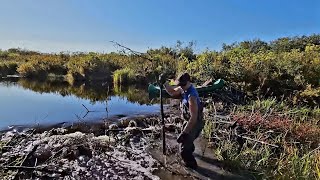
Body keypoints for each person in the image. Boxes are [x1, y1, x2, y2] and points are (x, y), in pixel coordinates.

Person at [164, 72, 204, 169]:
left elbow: (193, 117)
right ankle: (190, 147)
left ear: (189, 82)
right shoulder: (183, 89)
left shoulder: (192, 96)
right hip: (188, 120)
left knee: (184, 150)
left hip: (195, 123)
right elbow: (172, 92)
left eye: (183, 85)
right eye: (180, 85)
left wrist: (184, 133)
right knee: (187, 143)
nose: (181, 87)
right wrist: (164, 83)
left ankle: (193, 168)